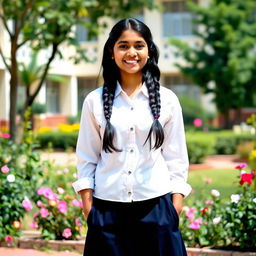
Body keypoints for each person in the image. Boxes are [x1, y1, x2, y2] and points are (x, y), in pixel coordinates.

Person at [72, 18, 192, 256]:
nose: (131, 53)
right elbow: (87, 157)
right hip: (107, 213)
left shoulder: (167, 100)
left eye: (139, 45)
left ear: (149, 50)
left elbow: (176, 158)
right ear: (111, 51)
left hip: (157, 209)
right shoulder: (94, 101)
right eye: (123, 45)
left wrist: (174, 207)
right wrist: (89, 208)